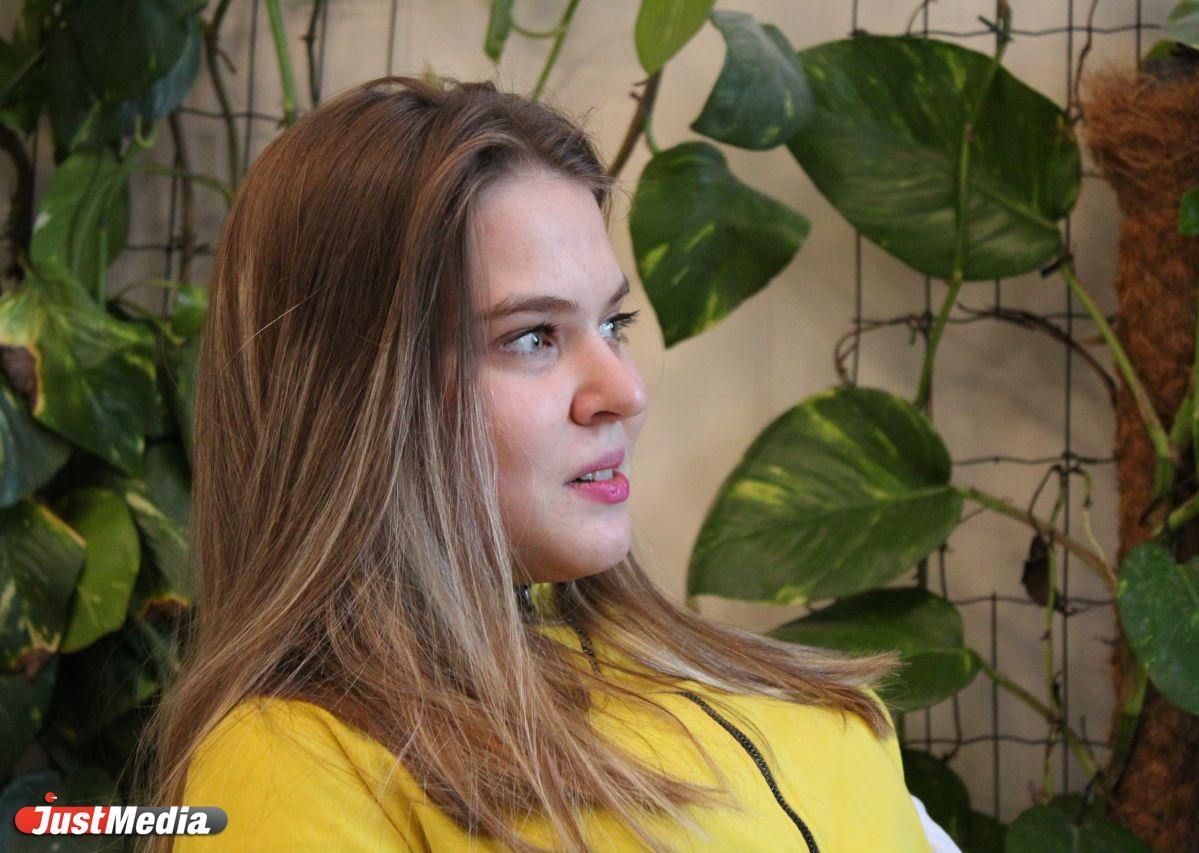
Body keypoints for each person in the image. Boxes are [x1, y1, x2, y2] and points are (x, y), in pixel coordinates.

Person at [139, 74, 957, 852]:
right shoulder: (293, 760)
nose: (624, 391)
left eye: (613, 324)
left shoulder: (750, 683)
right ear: (355, 398)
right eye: (532, 336)